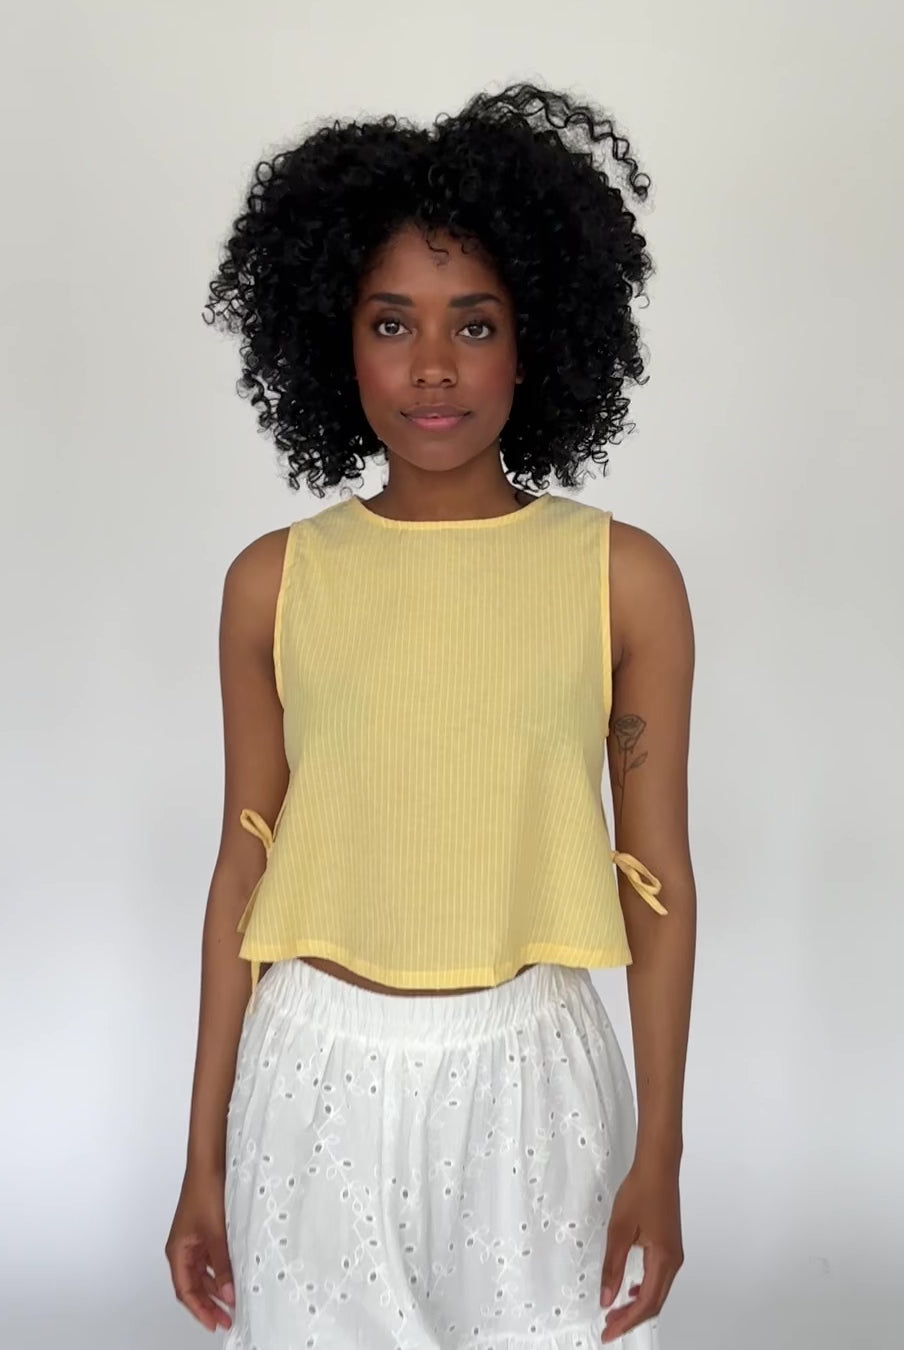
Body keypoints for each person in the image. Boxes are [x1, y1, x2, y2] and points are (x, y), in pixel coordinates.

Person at [165, 82, 696, 1349]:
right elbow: (245, 863)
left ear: (537, 339)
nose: (435, 366)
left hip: (537, 1080)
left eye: (477, 323)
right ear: (334, 341)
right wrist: (199, 1156)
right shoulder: (274, 583)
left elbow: (658, 878)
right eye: (392, 322)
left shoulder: (620, 578)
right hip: (312, 1081)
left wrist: (663, 1154)